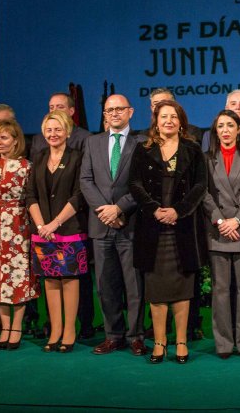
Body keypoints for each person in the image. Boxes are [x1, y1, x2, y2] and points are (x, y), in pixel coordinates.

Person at [129, 100, 208, 364]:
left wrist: (178, 211)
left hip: (182, 228)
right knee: (157, 290)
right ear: (156, 121)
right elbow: (135, 184)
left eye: (174, 117)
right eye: (164, 117)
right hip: (152, 229)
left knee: (182, 288)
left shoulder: (193, 150)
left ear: (181, 121)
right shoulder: (143, 149)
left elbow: (200, 186)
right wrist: (154, 209)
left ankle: (182, 341)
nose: (169, 121)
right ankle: (160, 342)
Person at [80, 94, 147, 356]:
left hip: (130, 223)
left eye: (120, 109)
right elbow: (86, 180)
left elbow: (143, 184)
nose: (115, 113)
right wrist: (105, 211)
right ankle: (113, 335)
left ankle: (136, 336)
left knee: (134, 285)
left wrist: (120, 208)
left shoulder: (141, 142)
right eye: (110, 110)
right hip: (101, 225)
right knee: (106, 285)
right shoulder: (92, 142)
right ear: (104, 115)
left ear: (130, 112)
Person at [202, 109, 240, 358]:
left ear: (239, 129)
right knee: (220, 291)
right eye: (221, 126)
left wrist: (236, 220)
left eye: (230, 125)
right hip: (218, 232)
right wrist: (220, 220)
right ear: (215, 131)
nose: (225, 130)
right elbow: (204, 193)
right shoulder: (206, 158)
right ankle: (224, 344)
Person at [26, 110, 88, 352]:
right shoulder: (39, 157)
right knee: (50, 280)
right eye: (49, 130)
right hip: (42, 232)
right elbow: (30, 194)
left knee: (69, 280)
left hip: (69, 229)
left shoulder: (77, 157)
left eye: (58, 129)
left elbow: (79, 195)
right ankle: (55, 330)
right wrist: (42, 225)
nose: (53, 134)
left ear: (68, 132)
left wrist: (55, 224)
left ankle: (70, 332)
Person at [0, 117, 39, 350]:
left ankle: (17, 327)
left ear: (15, 141)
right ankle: (4, 327)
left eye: (4, 137)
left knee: (18, 277)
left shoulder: (26, 166)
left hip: (18, 227)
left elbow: (30, 198)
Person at [29, 92, 91, 164]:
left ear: (71, 111)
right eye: (51, 107)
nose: (55, 111)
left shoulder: (85, 138)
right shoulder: (38, 140)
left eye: (60, 107)